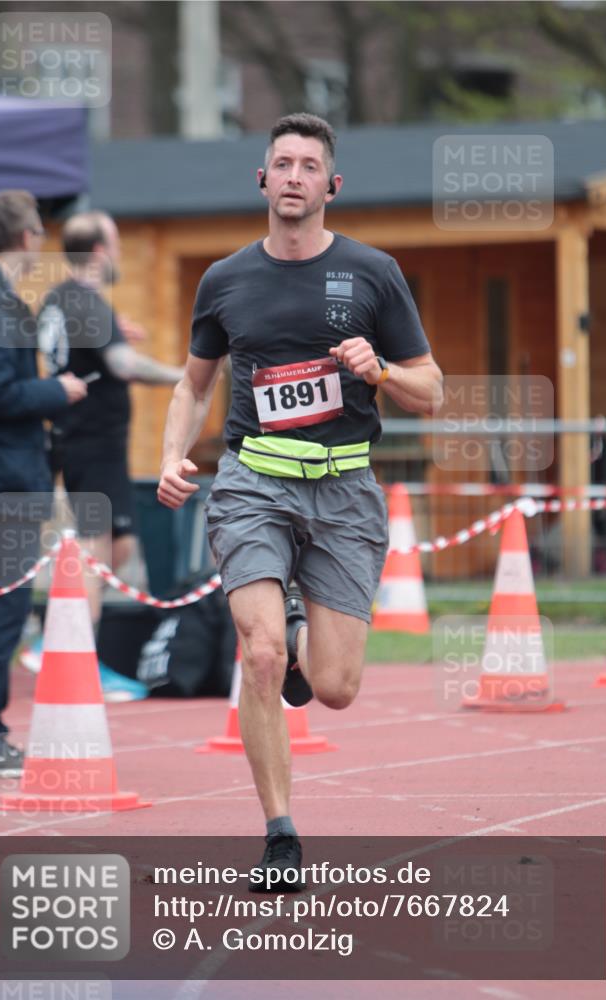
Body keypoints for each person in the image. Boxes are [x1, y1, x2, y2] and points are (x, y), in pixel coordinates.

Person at [157, 113, 442, 885]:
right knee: (261, 654)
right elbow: (192, 386)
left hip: (345, 486)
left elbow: (432, 391)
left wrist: (377, 368)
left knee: (335, 690)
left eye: (307, 166)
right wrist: (170, 455)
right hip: (252, 481)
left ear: (330, 186)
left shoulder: (374, 272)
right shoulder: (224, 280)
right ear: (262, 179)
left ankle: (290, 618)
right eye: (280, 162)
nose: (292, 176)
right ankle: (280, 834)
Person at [0, 190, 87, 777]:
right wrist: (55, 392)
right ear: (24, 237)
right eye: (39, 232)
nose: (43, 243)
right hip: (0, 479)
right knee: (1, 610)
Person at [36, 212, 186, 696]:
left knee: (116, 549)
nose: (120, 253)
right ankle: (73, 658)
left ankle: (59, 641)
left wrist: (114, 328)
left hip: (84, 440)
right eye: (117, 243)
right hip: (92, 439)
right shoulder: (83, 300)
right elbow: (122, 365)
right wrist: (184, 375)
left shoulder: (61, 299)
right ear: (100, 251)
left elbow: (86, 346)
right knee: (98, 551)